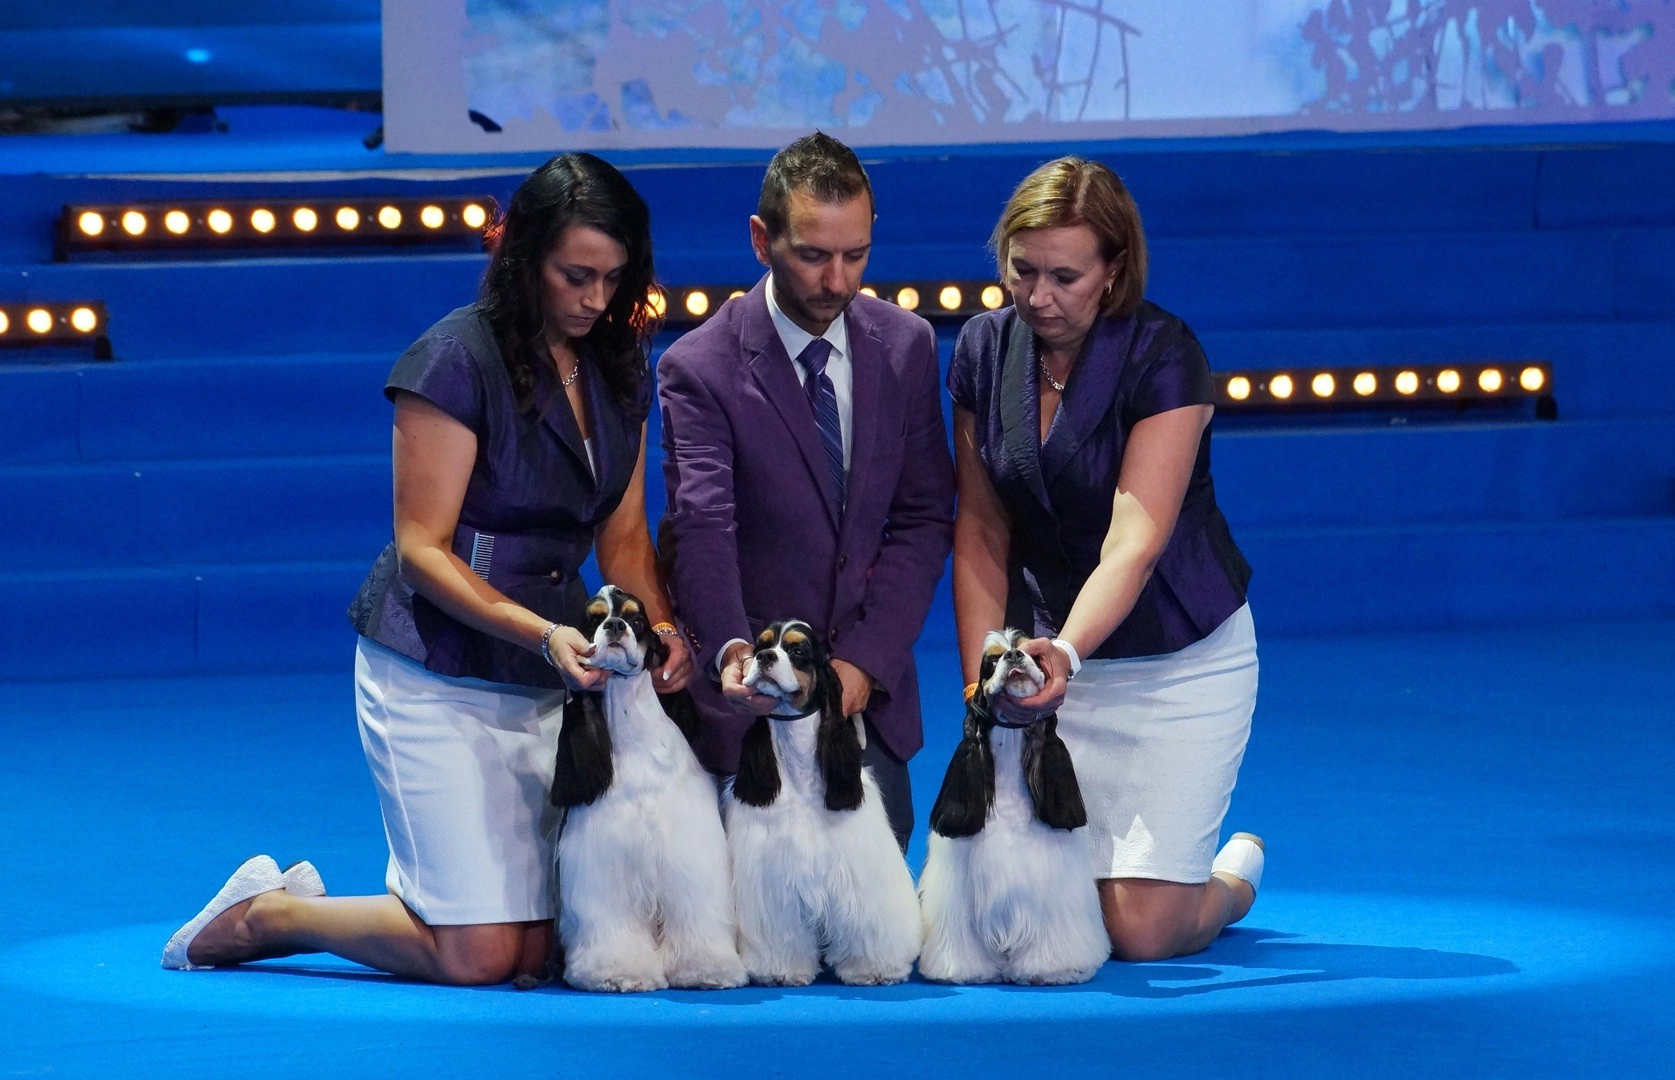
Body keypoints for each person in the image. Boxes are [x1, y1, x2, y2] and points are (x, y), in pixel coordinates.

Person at [161, 153, 691, 985]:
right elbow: (422, 548)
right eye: (575, 276)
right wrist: (544, 634)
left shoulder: (618, 365)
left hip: (549, 677)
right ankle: (266, 915)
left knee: (545, 951)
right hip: (433, 670)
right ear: (524, 258)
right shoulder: (451, 359)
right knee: (481, 957)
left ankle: (407, 908)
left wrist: (659, 627)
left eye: (613, 278)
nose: (595, 299)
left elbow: (621, 537)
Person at [946, 156, 1263, 962]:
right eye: (1022, 270)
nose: (1038, 296)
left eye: (1065, 277)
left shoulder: (1164, 353)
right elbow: (979, 528)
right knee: (1006, 915)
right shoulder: (982, 347)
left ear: (1113, 269)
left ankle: (1230, 882)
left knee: (1135, 933)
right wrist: (984, 680)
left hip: (1171, 661)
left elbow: (1134, 541)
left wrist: (1065, 652)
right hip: (1040, 666)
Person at [656, 132, 955, 848]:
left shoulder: (906, 344)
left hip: (863, 693)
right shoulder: (699, 367)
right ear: (762, 241)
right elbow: (702, 526)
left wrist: (866, 659)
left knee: (873, 910)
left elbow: (922, 517)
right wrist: (734, 653)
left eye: (857, 255)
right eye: (814, 256)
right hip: (748, 704)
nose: (838, 282)